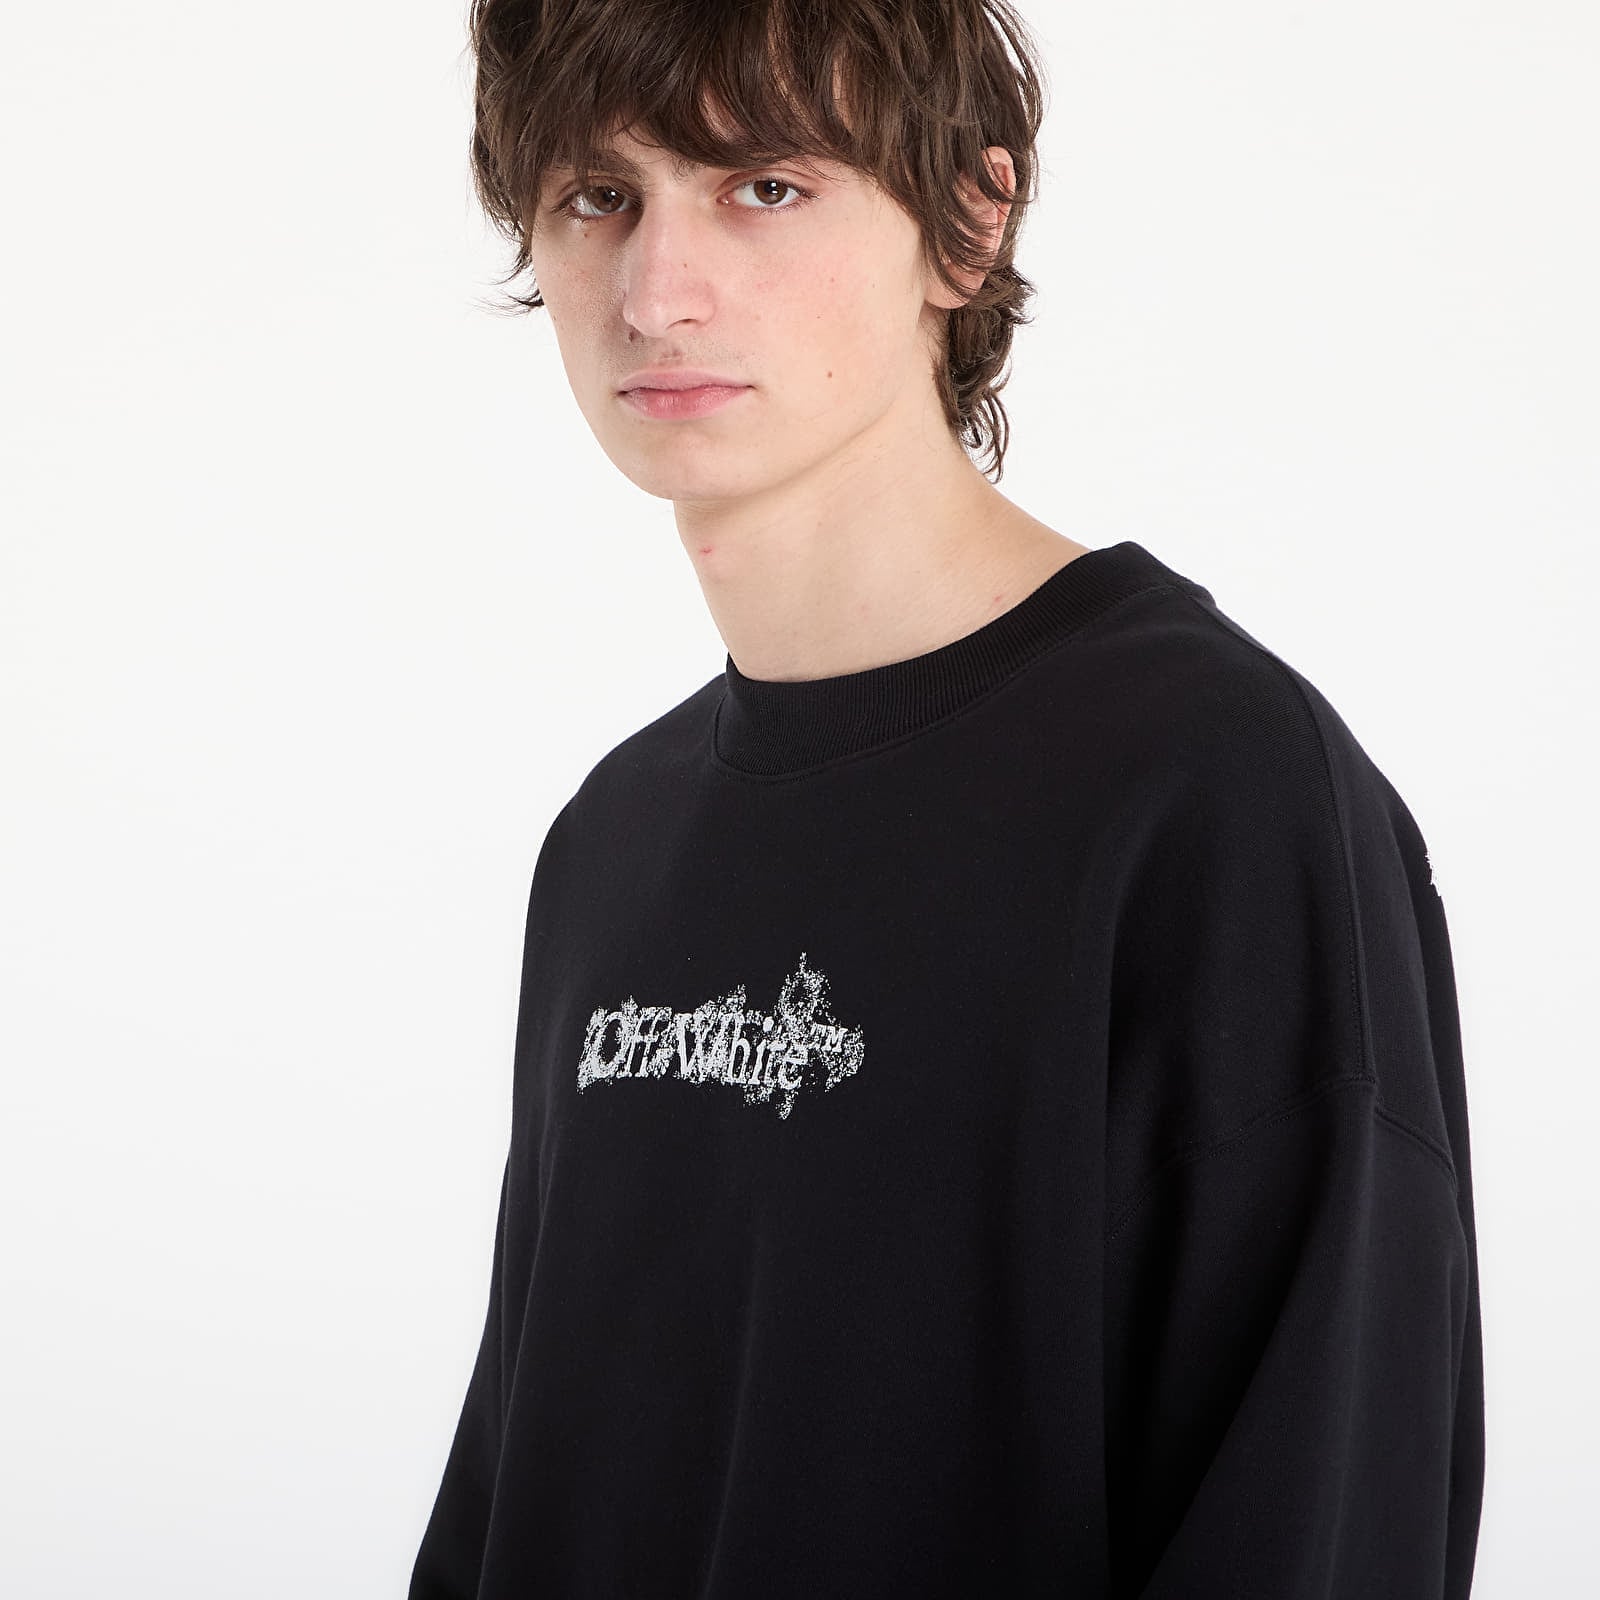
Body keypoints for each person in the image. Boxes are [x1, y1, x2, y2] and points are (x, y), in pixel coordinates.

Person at [408, 2, 1486, 1595]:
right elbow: (521, 1489)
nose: (655, 291)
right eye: (600, 197)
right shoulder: (613, 842)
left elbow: (1315, 1509)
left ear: (969, 223)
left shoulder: (1213, 792)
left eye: (767, 186)